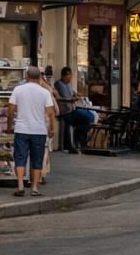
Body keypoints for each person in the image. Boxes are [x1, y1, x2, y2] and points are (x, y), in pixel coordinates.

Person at [7, 66, 54, 197]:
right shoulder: (44, 92)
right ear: (39, 77)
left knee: (20, 158)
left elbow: (11, 110)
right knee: (37, 159)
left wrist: (9, 125)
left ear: (27, 76)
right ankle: (34, 188)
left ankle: (21, 185)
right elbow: (50, 113)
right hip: (39, 130)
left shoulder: (18, 90)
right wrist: (51, 129)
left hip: (22, 129)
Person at [55, 68, 94, 153]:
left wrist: (77, 94)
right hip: (65, 112)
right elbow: (64, 98)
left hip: (72, 110)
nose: (69, 80)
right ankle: (76, 140)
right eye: (67, 78)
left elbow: (73, 92)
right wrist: (73, 99)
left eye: (70, 78)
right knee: (85, 119)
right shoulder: (59, 84)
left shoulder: (68, 84)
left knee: (89, 117)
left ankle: (79, 140)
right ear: (63, 76)